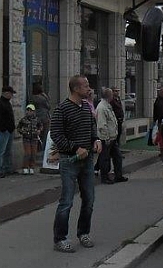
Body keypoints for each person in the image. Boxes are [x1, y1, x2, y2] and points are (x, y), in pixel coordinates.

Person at [50, 75, 102, 253]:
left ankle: (83, 233)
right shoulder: (62, 109)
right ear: (76, 89)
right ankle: (60, 239)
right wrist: (75, 148)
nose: (89, 89)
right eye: (86, 86)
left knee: (89, 200)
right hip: (69, 161)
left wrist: (96, 140)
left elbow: (91, 127)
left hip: (87, 161)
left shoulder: (87, 107)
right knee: (66, 201)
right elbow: (56, 135)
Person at [96, 88, 128, 184]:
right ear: (108, 96)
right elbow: (102, 125)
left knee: (117, 156)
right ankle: (104, 177)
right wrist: (106, 138)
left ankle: (118, 175)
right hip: (106, 138)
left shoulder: (107, 105)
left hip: (113, 137)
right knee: (105, 158)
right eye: (112, 95)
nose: (113, 96)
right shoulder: (102, 107)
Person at [16, 104, 43, 175]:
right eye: (27, 110)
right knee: (28, 153)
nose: (29, 112)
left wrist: (39, 130)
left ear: (34, 111)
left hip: (34, 139)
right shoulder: (23, 120)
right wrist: (23, 132)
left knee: (33, 154)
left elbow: (40, 126)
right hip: (26, 139)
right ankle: (25, 167)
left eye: (30, 110)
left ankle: (32, 167)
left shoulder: (37, 119)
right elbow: (18, 128)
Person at [0, 85, 17, 178]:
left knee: (8, 151)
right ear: (6, 93)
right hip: (4, 131)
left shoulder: (7, 103)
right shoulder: (1, 103)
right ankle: (1, 169)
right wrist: (4, 128)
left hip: (9, 130)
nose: (12, 96)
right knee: (1, 151)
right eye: (11, 94)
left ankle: (8, 168)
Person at [30, 83, 51, 151]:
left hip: (36, 118)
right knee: (44, 136)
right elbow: (48, 106)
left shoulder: (32, 98)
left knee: (37, 136)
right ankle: (43, 150)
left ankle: (37, 150)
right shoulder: (42, 97)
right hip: (44, 118)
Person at [152, 87, 163, 162]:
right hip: (160, 122)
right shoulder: (157, 100)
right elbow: (155, 111)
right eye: (162, 92)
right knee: (161, 138)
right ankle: (162, 152)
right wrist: (155, 120)